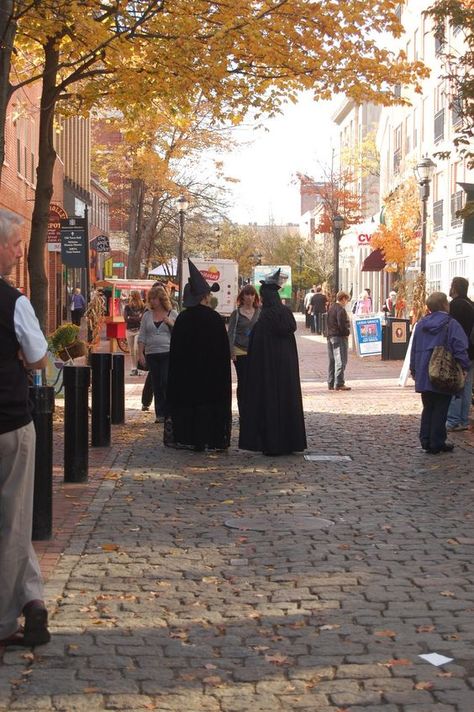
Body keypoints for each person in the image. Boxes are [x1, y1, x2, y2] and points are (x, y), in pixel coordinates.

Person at [0, 208, 50, 648]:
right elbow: (38, 358)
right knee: (13, 521)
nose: (20, 252)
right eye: (16, 244)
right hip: (10, 423)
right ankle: (6, 620)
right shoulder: (13, 301)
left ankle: (33, 602)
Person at [164, 259, 232, 451]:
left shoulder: (183, 319)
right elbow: (222, 350)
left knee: (189, 404)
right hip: (211, 376)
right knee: (207, 405)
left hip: (186, 376)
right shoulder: (214, 318)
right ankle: (210, 437)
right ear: (204, 296)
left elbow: (176, 350)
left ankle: (188, 437)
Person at [239, 269, 307, 456]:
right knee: (286, 400)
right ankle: (289, 440)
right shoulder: (285, 314)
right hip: (286, 370)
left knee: (269, 401)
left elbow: (256, 349)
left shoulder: (263, 321)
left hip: (267, 371)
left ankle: (271, 441)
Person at [410, 291, 469, 455]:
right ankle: (437, 441)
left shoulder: (421, 324)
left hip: (424, 371)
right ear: (445, 305)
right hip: (443, 371)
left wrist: (414, 369)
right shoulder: (451, 324)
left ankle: (426, 440)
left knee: (428, 406)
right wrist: (464, 367)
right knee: (441, 406)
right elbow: (460, 346)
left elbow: (414, 349)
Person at [137, 286, 177, 423]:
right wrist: (140, 353)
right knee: (156, 383)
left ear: (161, 299)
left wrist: (170, 323)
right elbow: (142, 335)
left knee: (166, 381)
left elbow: (179, 334)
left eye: (155, 298)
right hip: (151, 353)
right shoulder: (147, 315)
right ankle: (160, 414)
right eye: (151, 299)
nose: (152, 301)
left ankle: (169, 412)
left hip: (167, 352)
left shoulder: (172, 314)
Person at [445, 277, 474, 432]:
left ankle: (453, 420)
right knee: (467, 386)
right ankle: (463, 419)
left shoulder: (455, 306)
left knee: (455, 384)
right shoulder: (471, 305)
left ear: (455, 288)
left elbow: (451, 330)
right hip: (471, 352)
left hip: (458, 351)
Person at [228, 284, 261, 417]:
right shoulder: (236, 314)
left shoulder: (260, 312)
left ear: (255, 297)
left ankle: (253, 408)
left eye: (252, 294)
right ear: (242, 297)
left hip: (255, 352)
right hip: (240, 351)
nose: (249, 297)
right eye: (247, 294)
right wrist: (232, 351)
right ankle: (243, 409)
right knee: (243, 380)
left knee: (254, 381)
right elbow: (230, 333)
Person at [327, 290, 352, 391]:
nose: (347, 302)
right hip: (339, 337)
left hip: (330, 336)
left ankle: (331, 382)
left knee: (332, 360)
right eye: (347, 300)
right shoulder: (340, 309)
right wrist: (346, 333)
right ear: (343, 299)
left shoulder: (331, 308)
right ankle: (339, 382)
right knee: (341, 360)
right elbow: (341, 324)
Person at [123, 290, 145, 376]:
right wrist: (137, 318)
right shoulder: (127, 307)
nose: (130, 297)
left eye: (131, 296)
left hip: (139, 330)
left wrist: (131, 318)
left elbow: (142, 318)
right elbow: (125, 319)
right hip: (129, 330)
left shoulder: (142, 306)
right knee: (131, 350)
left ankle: (139, 368)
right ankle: (133, 368)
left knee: (136, 349)